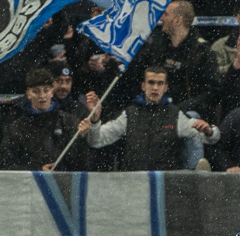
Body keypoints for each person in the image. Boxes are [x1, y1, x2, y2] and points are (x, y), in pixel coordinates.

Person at [84, 66, 221, 170]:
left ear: (165, 87)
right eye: (151, 82)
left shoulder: (175, 115)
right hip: (135, 183)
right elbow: (96, 141)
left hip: (166, 183)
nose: (155, 88)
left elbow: (213, 138)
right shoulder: (129, 115)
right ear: (143, 86)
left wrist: (209, 131)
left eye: (160, 83)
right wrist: (95, 120)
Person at [127, 0, 219, 119]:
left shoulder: (202, 52)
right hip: (156, 106)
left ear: (178, 20)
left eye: (166, 14)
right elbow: (137, 68)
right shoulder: (158, 45)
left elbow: (211, 93)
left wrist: (178, 109)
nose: (161, 18)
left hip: (186, 112)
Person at [0, 68, 88, 171]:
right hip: (30, 180)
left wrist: (81, 139)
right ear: (28, 94)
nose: (42, 96)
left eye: (46, 90)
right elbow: (6, 162)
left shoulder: (69, 121)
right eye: (36, 91)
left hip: (62, 179)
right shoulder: (17, 127)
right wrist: (38, 170)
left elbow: (81, 162)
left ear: (52, 92)